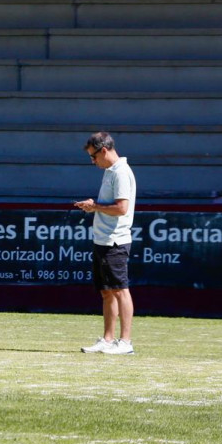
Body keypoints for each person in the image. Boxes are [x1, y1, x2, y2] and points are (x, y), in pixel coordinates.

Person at [73, 131, 136, 355]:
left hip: (115, 241)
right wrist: (94, 205)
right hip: (103, 240)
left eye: (94, 157)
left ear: (104, 150)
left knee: (120, 290)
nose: (93, 161)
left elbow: (121, 208)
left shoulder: (120, 172)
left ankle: (125, 342)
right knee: (107, 291)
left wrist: (95, 207)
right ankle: (108, 340)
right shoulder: (110, 171)